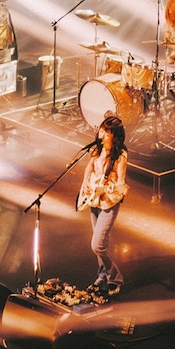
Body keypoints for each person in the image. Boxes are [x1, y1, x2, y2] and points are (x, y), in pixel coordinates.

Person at [77, 115, 129, 298]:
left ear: (115, 135)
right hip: (94, 200)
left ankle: (116, 277)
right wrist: (85, 182)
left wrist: (115, 188)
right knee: (101, 243)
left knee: (97, 245)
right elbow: (90, 167)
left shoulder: (120, 157)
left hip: (109, 202)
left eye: (106, 131)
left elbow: (121, 182)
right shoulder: (97, 149)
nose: (102, 134)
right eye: (102, 130)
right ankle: (102, 279)